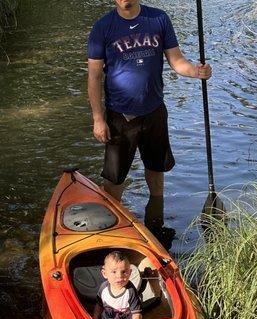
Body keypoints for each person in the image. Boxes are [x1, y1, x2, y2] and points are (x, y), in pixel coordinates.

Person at [87, 0, 212, 243]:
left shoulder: (158, 19)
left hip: (155, 112)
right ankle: (112, 233)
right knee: (114, 180)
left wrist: (196, 71)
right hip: (120, 118)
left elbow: (176, 61)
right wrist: (98, 118)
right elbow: (93, 77)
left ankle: (156, 226)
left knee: (156, 171)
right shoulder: (102, 27)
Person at [93, 251, 142, 319]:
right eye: (114, 272)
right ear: (104, 273)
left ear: (130, 273)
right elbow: (99, 305)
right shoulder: (103, 288)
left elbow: (136, 314)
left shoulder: (130, 291)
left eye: (124, 272)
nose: (119, 276)